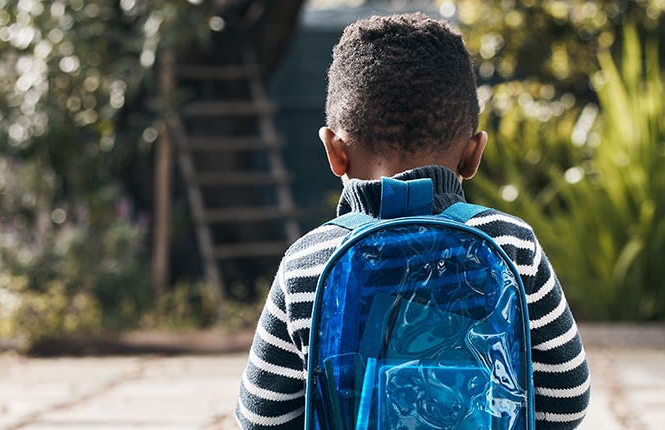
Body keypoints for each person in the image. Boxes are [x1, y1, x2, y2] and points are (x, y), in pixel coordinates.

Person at [236, 12, 589, 430]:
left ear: (335, 152)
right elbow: (567, 400)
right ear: (473, 154)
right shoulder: (513, 246)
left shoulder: (308, 260)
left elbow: (261, 416)